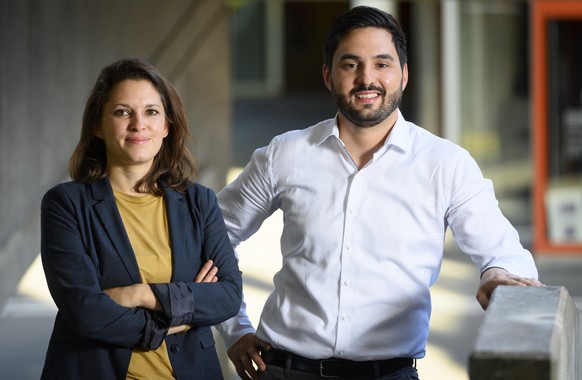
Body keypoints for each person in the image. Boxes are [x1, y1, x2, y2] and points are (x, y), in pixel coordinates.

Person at [216, 6, 543, 380]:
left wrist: (496, 274)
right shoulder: (285, 154)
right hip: (285, 370)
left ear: (404, 74)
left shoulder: (445, 164)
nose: (366, 78)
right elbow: (215, 238)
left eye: (382, 64)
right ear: (328, 75)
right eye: (350, 64)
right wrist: (234, 328)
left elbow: (506, 254)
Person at [40, 57, 242, 379]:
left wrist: (141, 295)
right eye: (122, 112)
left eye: (151, 112)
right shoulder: (65, 205)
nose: (138, 124)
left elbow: (228, 296)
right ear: (98, 125)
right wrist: (182, 313)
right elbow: (86, 313)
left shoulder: (200, 202)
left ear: (166, 126)